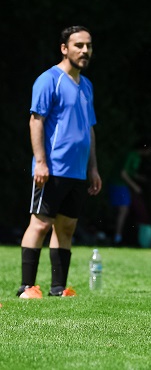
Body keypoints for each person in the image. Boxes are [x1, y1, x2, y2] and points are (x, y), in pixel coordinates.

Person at [17, 26, 101, 299]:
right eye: (78, 45)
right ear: (64, 48)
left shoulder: (86, 85)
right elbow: (36, 121)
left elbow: (89, 129)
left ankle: (58, 288)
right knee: (40, 224)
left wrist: (93, 168)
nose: (84, 51)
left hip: (77, 172)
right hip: (52, 169)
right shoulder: (48, 80)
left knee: (66, 228)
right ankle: (27, 287)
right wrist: (40, 162)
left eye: (88, 45)